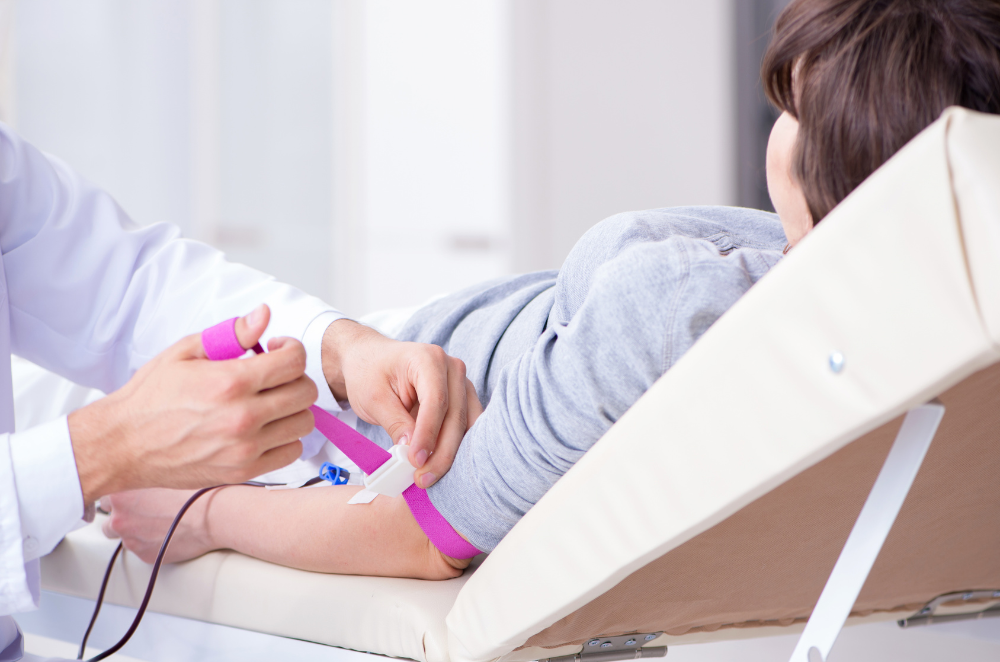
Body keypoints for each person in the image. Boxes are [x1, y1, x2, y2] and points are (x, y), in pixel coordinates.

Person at [102, 0, 1000, 581]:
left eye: (790, 109)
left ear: (839, 159)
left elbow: (427, 534)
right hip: (375, 361)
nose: (778, 126)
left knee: (67, 387)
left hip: (338, 446)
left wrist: (206, 516)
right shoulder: (924, 310)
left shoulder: (676, 309)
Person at [0, 119, 479, 657]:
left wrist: (345, 351)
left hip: (402, 346)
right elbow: (433, 531)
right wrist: (98, 456)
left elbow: (129, 285)